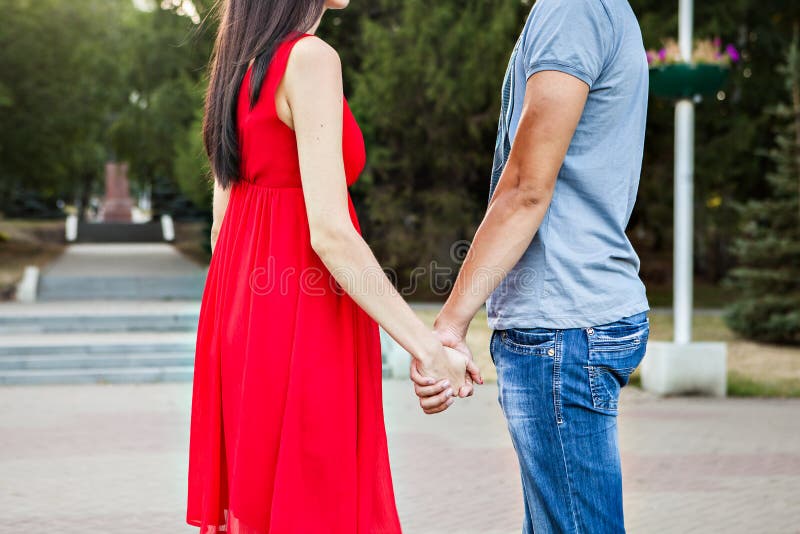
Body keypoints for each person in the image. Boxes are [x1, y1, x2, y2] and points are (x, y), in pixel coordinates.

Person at [186, 1, 481, 532]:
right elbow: (330, 233)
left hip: (242, 317)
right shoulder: (310, 58)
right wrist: (428, 348)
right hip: (303, 319)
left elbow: (220, 227)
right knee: (317, 505)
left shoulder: (240, 63)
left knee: (264, 506)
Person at [412, 0, 651, 532]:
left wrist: (450, 325)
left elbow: (525, 188)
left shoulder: (573, 9)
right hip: (573, 318)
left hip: (562, 327)